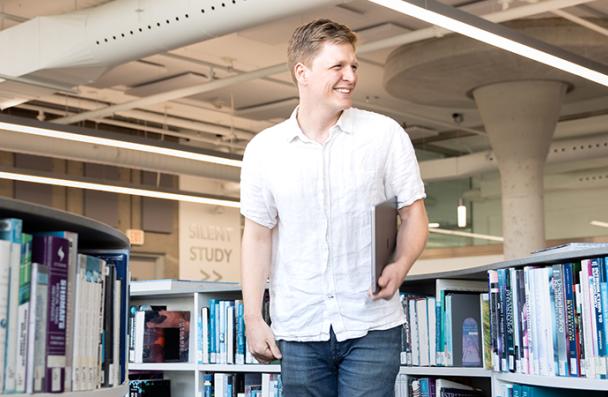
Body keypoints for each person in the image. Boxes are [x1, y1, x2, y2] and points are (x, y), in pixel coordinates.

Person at [240, 18, 428, 397]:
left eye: (354, 66)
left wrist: (400, 264)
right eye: (337, 66)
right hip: (299, 329)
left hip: (372, 326)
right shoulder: (264, 149)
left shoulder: (384, 135)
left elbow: (414, 214)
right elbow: (257, 237)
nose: (350, 76)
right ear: (302, 72)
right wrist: (253, 318)